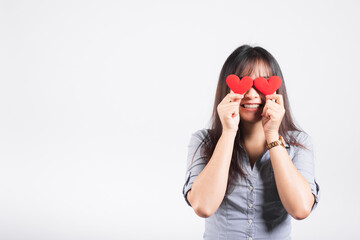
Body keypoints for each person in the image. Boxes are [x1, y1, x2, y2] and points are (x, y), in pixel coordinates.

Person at [182, 44, 320, 240]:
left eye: (262, 83)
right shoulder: (203, 141)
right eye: (243, 83)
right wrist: (228, 131)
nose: (251, 94)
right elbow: (203, 206)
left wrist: (272, 135)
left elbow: (300, 209)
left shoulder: (299, 143)